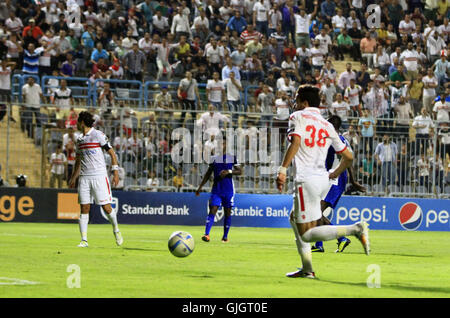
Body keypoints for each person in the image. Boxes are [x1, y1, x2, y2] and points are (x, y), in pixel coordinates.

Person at [276, 85, 370, 279]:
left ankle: (355, 229)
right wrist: (335, 173)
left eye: (296, 99)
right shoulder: (327, 125)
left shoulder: (298, 117)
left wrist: (283, 169)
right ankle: (307, 269)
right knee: (294, 218)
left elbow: (295, 142)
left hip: (306, 180)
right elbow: (349, 156)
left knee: (307, 234)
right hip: (322, 181)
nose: (294, 103)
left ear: (304, 102)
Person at [311, 115, 366, 253]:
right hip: (337, 178)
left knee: (316, 211)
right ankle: (319, 245)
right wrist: (352, 180)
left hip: (333, 179)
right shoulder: (342, 139)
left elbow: (331, 162)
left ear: (330, 125)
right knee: (316, 212)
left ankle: (341, 238)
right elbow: (348, 160)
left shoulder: (331, 139)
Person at [68, 111, 123, 248]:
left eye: (77, 121)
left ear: (82, 122)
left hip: (99, 176)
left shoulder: (98, 135)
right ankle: (84, 240)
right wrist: (73, 177)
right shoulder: (80, 139)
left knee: (106, 207)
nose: (76, 124)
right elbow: (78, 160)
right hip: (84, 178)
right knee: (84, 207)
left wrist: (115, 172)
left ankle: (116, 229)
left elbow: (111, 153)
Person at [196, 139, 242, 243]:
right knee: (213, 209)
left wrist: (229, 172)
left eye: (224, 143)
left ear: (226, 145)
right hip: (216, 189)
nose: (221, 145)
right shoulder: (213, 159)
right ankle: (206, 234)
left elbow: (240, 171)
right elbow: (208, 173)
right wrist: (200, 187)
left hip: (228, 190)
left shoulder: (231, 157)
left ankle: (225, 236)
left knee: (227, 213)